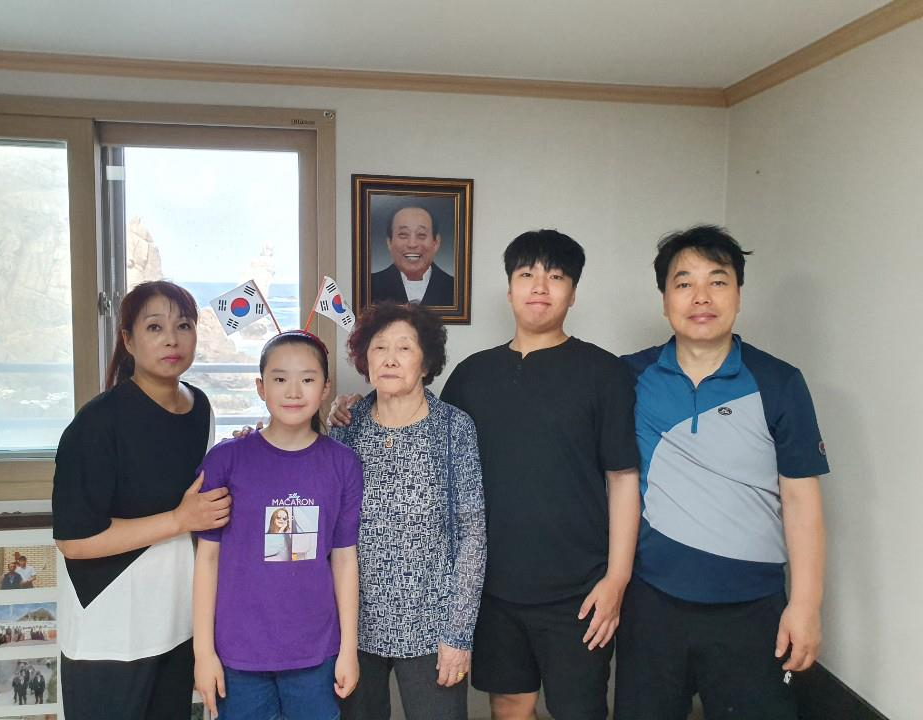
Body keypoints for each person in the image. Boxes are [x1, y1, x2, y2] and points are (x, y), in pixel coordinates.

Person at [333, 231, 640, 720]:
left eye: (555, 277)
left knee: (581, 709)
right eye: (526, 275)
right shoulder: (474, 376)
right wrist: (346, 409)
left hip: (578, 589)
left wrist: (617, 578)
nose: (539, 286)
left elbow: (623, 479)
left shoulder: (604, 372)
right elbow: (419, 426)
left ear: (573, 292)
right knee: (509, 706)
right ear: (509, 288)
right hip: (496, 590)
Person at [615, 225, 829, 720]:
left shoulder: (778, 381)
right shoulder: (627, 377)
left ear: (738, 294)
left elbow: (801, 501)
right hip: (652, 602)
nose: (701, 297)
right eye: (684, 282)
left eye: (718, 280)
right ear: (664, 298)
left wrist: (806, 605)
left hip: (752, 607)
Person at [52, 280, 232, 720]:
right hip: (110, 627)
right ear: (129, 340)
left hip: (175, 619)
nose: (172, 339)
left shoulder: (201, 407)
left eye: (183, 325)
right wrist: (178, 519)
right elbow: (75, 540)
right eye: (155, 327)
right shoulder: (97, 423)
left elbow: (200, 492)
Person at [193, 330, 364, 720]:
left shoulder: (343, 464)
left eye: (307, 379)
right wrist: (204, 653)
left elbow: (345, 560)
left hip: (316, 651)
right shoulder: (226, 460)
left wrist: (349, 650)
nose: (293, 391)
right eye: (279, 378)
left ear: (325, 388)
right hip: (238, 652)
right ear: (260, 387)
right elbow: (207, 560)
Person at [329, 302, 485, 720]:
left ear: (426, 361)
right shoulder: (346, 426)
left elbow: (473, 536)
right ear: (365, 360)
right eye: (379, 348)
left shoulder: (454, 427)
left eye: (404, 348)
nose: (391, 358)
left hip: (431, 628)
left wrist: (458, 632)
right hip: (353, 626)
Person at [371, 204, 455, 305]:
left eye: (421, 235)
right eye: (403, 234)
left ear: (436, 242)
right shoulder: (370, 286)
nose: (412, 244)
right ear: (389, 242)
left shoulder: (454, 287)